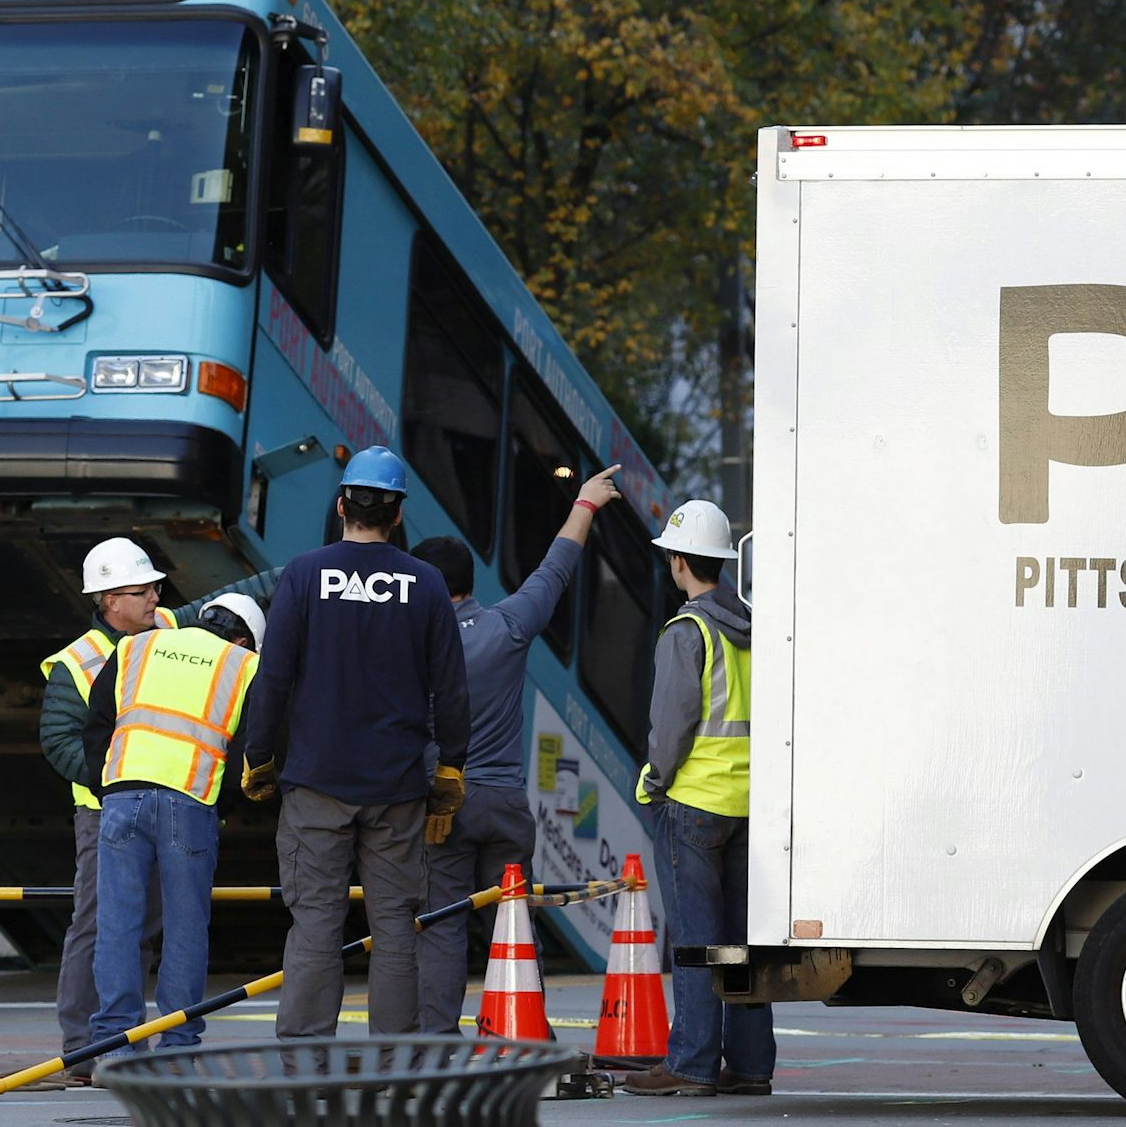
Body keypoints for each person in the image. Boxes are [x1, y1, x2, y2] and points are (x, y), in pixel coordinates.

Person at [241, 446, 471, 1040]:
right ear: (396, 515)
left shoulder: (303, 574)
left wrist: (259, 756)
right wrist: (451, 766)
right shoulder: (425, 585)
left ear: (342, 504)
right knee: (395, 928)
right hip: (396, 788)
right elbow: (450, 688)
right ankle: (393, 1065)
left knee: (316, 924)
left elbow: (274, 676)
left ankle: (306, 1066)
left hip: (316, 783)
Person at [37, 538, 281, 1061]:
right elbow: (61, 740)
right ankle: (148, 1043)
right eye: (141, 591)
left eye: (154, 589)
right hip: (139, 805)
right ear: (108, 601)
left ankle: (109, 1045)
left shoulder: (150, 637)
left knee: (122, 926)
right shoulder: (82, 660)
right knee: (157, 923)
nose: (154, 598)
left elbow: (242, 592)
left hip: (122, 806)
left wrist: (307, 571)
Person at [410, 464, 623, 1032]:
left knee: (441, 924)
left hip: (443, 807)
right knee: (513, 920)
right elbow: (554, 571)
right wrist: (585, 504)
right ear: (468, 581)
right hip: (504, 804)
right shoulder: (507, 626)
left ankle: (435, 1041)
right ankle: (524, 1030)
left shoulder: (412, 644)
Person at [620, 500, 770, 1097]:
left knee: (695, 942)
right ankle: (752, 1064)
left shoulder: (688, 631)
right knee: (738, 943)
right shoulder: (756, 631)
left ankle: (690, 1064)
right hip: (748, 806)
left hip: (694, 805)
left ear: (679, 562)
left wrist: (654, 780)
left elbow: (672, 724)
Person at [81, 593, 266, 1054]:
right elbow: (252, 753)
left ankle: (114, 1046)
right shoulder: (244, 666)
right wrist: (219, 804)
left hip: (123, 795)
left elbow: (97, 725)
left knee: (118, 923)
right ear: (244, 639)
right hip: (191, 801)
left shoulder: (134, 647)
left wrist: (108, 788)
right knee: (185, 926)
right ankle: (177, 1045)